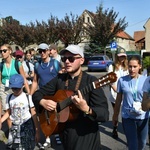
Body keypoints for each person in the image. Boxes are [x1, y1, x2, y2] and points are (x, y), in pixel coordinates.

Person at [32, 44, 109, 150]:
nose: (67, 61)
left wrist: (87, 109)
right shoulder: (60, 79)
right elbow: (37, 94)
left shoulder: (91, 82)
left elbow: (104, 113)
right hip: (65, 135)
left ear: (82, 60)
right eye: (64, 58)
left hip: (86, 137)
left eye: (71, 58)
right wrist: (42, 102)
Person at [112, 55, 149, 150]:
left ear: (140, 66)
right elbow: (119, 99)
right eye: (130, 66)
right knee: (132, 144)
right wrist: (115, 115)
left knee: (142, 142)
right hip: (127, 116)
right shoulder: (122, 80)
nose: (132, 69)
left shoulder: (146, 80)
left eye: (135, 66)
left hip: (143, 116)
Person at [0, 74, 39, 149]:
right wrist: (1, 120)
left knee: (27, 146)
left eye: (17, 88)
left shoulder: (28, 97)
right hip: (15, 126)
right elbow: (8, 112)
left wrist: (37, 131)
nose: (15, 90)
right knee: (15, 147)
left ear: (23, 86)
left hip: (27, 125)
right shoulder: (9, 97)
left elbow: (33, 113)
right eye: (13, 88)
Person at [0, 44, 30, 128]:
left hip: (16, 87)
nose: (2, 53)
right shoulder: (1, 65)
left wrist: (29, 93)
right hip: (4, 88)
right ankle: (11, 131)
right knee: (8, 110)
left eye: (4, 51)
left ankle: (21, 127)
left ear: (10, 51)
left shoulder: (17, 63)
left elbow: (24, 78)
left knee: (17, 109)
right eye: (1, 51)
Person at [108, 48, 128, 139]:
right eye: (120, 56)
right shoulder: (112, 67)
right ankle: (115, 128)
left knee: (126, 114)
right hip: (115, 94)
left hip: (126, 95)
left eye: (123, 56)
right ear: (117, 57)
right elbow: (110, 80)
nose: (122, 58)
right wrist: (116, 89)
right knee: (116, 113)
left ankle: (127, 130)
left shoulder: (127, 67)